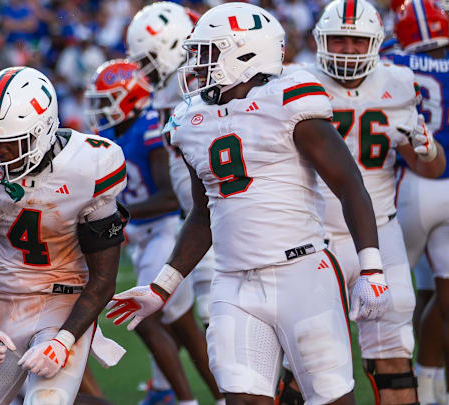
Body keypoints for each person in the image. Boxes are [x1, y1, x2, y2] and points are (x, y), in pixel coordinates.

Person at [107, 3, 390, 404]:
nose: (197, 65)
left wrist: (372, 267)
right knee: (241, 398)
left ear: (244, 53)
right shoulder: (191, 119)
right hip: (234, 280)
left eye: (208, 53)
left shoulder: (291, 99)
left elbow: (349, 184)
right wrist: (162, 286)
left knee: (332, 399)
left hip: (302, 273)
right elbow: (204, 213)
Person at [279, 0, 447, 403]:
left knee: (394, 357)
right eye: (338, 38)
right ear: (321, 40)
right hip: (313, 237)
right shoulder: (295, 81)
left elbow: (428, 169)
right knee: (309, 361)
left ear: (374, 43)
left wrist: (428, 151)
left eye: (357, 41)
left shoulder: (400, 82)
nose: (347, 49)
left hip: (381, 231)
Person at [0, 66, 126, 405]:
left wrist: (63, 341)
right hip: (6, 298)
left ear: (43, 132)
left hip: (65, 300)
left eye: (9, 144)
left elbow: (103, 278)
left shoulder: (90, 166)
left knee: (47, 401)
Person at [86, 59, 221, 405]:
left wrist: (118, 213)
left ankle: (185, 400)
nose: (100, 109)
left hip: (164, 230)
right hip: (143, 238)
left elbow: (167, 196)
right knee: (184, 328)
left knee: (143, 317)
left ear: (129, 97)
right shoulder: (112, 133)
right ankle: (219, 397)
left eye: (107, 100)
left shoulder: (149, 126)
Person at [125, 5, 223, 403]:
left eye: (148, 59)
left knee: (219, 321)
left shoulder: (204, 80)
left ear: (170, 45)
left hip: (222, 215)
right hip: (195, 218)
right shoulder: (168, 89)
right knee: (203, 322)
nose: (143, 70)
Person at [385, 0, 449, 401]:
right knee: (442, 297)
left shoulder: (391, 60)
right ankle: (430, 384)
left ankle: (406, 384)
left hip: (408, 185)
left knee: (387, 297)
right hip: (445, 180)